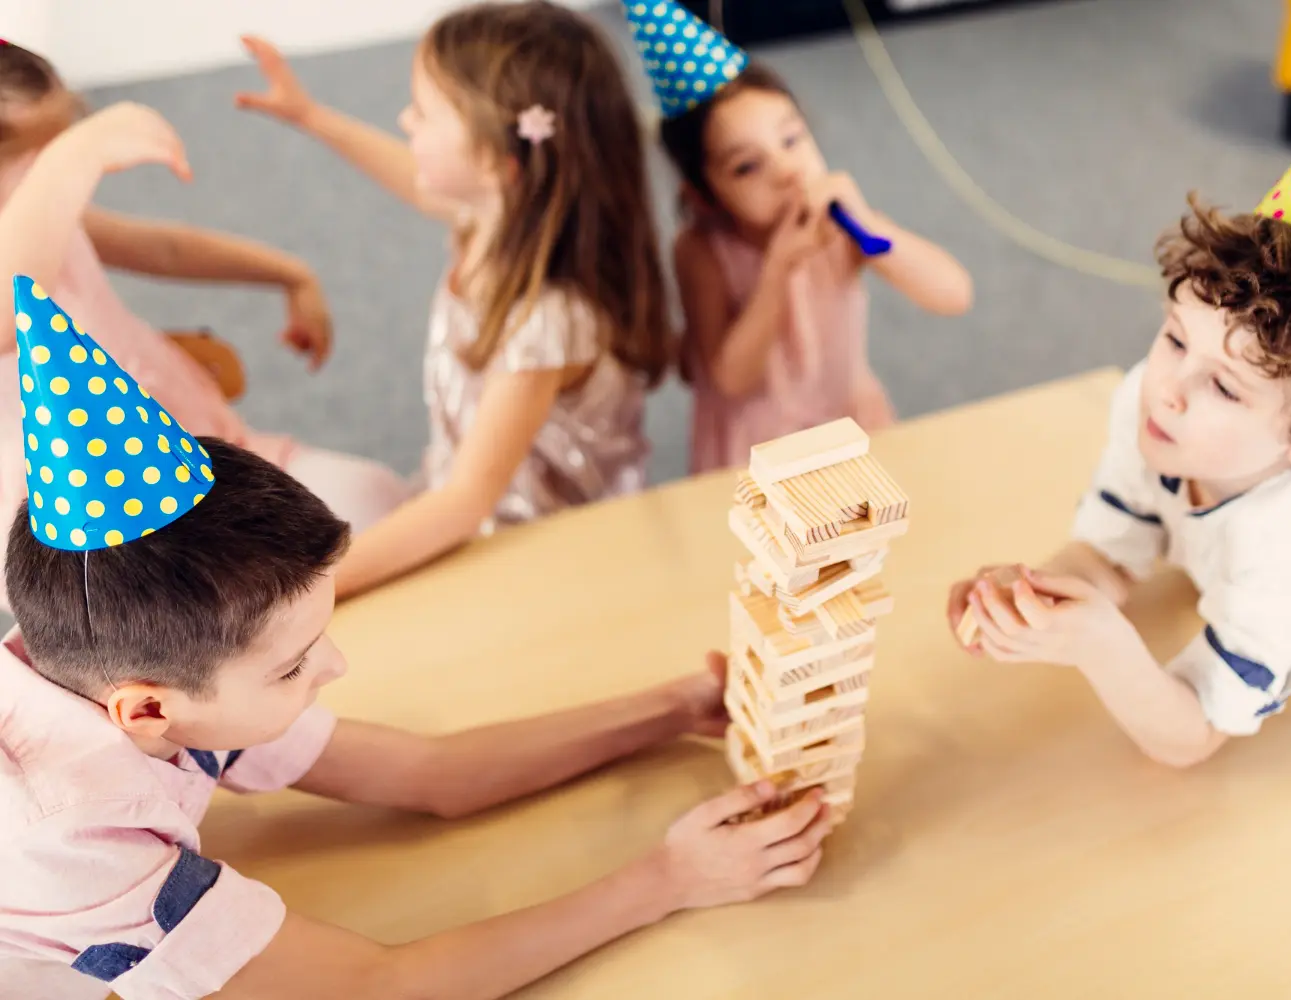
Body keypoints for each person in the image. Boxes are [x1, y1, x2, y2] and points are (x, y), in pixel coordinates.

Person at [0, 105, 831, 1000]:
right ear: (148, 713)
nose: (337, 662)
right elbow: (381, 988)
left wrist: (676, 706)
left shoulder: (138, 670)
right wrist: (668, 880)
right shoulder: (76, 837)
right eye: (292, 666)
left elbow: (432, 777)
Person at [947, 40, 1291, 767]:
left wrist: (1101, 646)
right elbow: (1113, 555)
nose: (1167, 390)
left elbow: (1190, 735)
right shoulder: (1152, 408)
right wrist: (1031, 598)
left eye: (1224, 387)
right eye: (1177, 339)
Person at [236, 1, 675, 600]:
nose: (404, 121)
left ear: (500, 162)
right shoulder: (498, 214)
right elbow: (414, 179)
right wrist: (312, 116)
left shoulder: (544, 320)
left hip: (528, 546)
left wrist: (306, 590)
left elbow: (465, 504)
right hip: (470, 489)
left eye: (423, 113)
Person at [0, 39, 411, 572]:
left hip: (195, 449)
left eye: (61, 146)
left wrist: (288, 273)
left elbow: (163, 248)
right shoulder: (29, 227)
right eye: (38, 156)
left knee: (377, 501)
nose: (64, 173)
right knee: (275, 587)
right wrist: (68, 162)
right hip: (102, 534)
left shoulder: (46, 218)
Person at [624, 0, 973, 473]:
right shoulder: (701, 251)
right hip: (755, 446)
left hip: (846, 419)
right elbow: (730, 379)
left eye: (792, 140)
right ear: (704, 195)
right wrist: (778, 271)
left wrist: (871, 229)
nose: (787, 171)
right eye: (747, 167)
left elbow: (953, 294)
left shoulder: (843, 226)